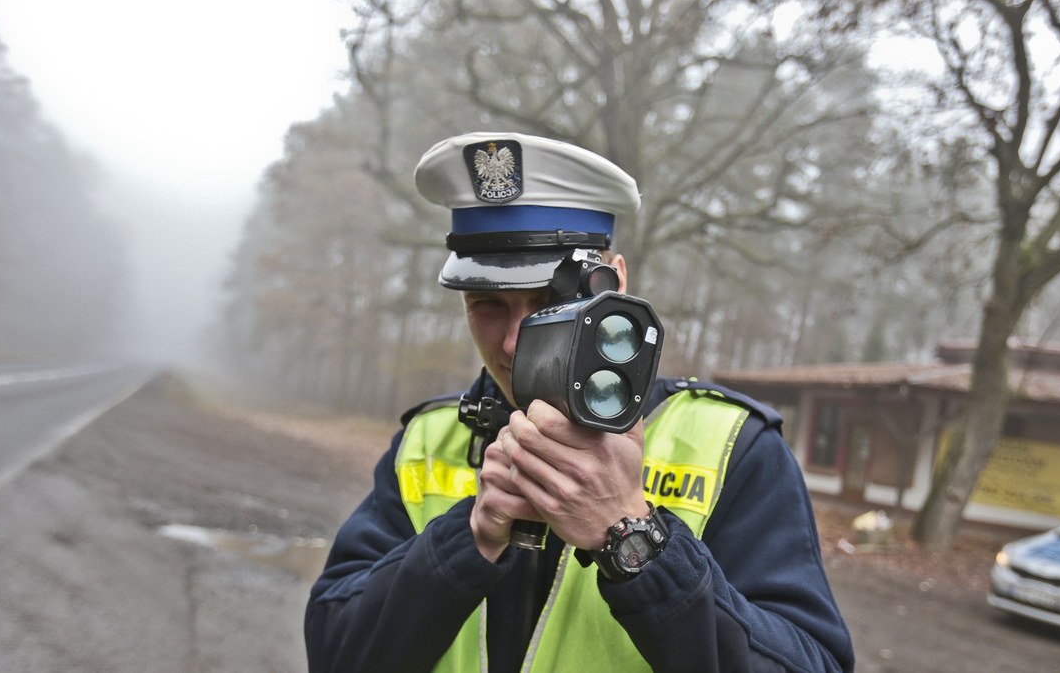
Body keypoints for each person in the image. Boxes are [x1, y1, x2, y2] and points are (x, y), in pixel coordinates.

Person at [305, 132, 855, 672]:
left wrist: (635, 541)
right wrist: (467, 536)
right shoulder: (427, 441)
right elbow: (336, 653)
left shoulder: (733, 449)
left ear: (613, 283)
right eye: (488, 303)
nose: (514, 341)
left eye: (548, 300)